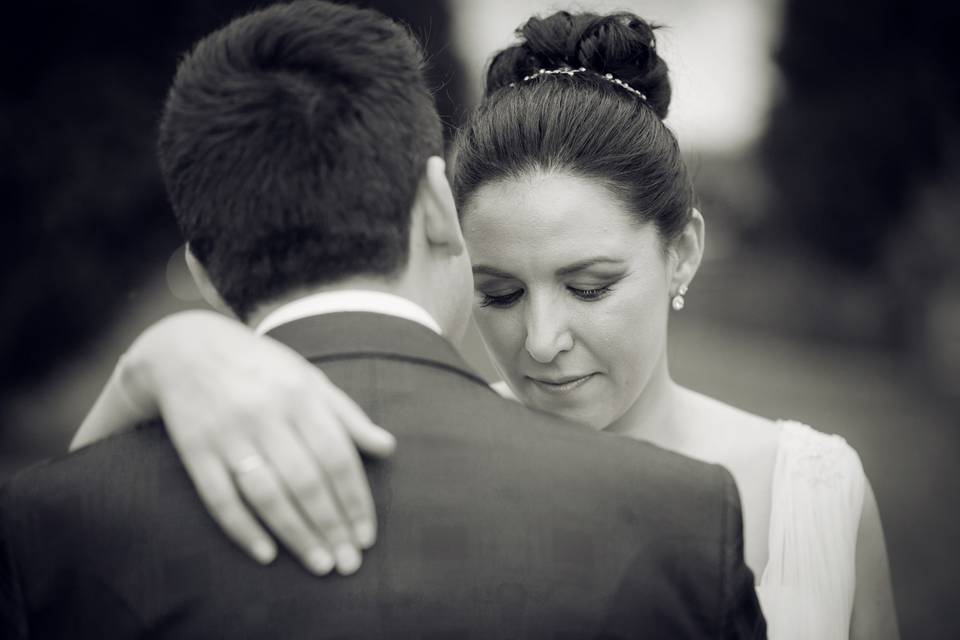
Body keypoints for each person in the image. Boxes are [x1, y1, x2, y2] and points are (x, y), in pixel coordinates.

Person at [69, 6, 894, 640]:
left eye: (590, 286)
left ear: (681, 253)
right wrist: (161, 358)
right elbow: (78, 552)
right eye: (498, 294)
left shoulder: (814, 492)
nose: (541, 342)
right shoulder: (381, 448)